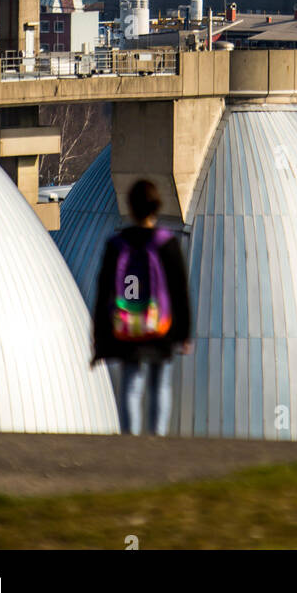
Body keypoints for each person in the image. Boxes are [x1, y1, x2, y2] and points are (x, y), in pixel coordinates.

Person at [92, 179, 192, 435]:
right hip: (160, 325)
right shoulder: (166, 244)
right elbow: (179, 291)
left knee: (131, 384)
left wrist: (100, 335)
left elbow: (104, 291)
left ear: (132, 207)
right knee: (160, 383)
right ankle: (157, 440)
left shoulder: (117, 245)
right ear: (156, 207)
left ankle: (130, 440)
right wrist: (183, 332)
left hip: (129, 324)